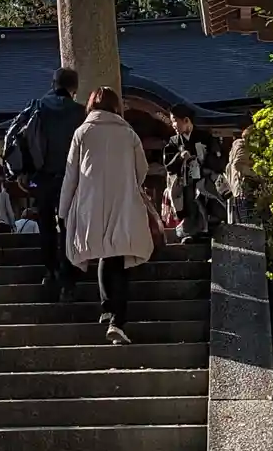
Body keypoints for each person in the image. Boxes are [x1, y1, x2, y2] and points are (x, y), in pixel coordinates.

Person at [58, 87, 154, 346]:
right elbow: (142, 169)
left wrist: (63, 211)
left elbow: (71, 174)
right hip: (123, 202)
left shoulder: (82, 132)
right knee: (118, 257)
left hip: (90, 204)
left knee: (104, 253)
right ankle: (117, 321)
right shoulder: (128, 133)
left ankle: (107, 308)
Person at [5, 66, 85, 301]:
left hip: (42, 177)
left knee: (46, 225)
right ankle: (69, 276)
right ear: (74, 88)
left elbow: (18, 136)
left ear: (52, 84)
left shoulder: (37, 107)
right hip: (72, 178)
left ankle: (50, 271)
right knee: (69, 226)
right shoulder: (80, 112)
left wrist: (23, 172)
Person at [163, 107, 215, 244]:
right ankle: (190, 233)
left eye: (175, 121)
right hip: (185, 182)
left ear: (186, 120)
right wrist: (180, 157)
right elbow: (168, 165)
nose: (173, 125)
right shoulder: (174, 141)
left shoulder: (205, 137)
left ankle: (206, 231)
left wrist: (203, 160)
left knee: (205, 204)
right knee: (189, 206)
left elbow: (216, 157)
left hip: (203, 179)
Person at [224, 126, 256, 223]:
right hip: (244, 189)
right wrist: (255, 173)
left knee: (243, 222)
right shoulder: (243, 146)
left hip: (238, 189)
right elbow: (238, 165)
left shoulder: (237, 146)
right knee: (248, 221)